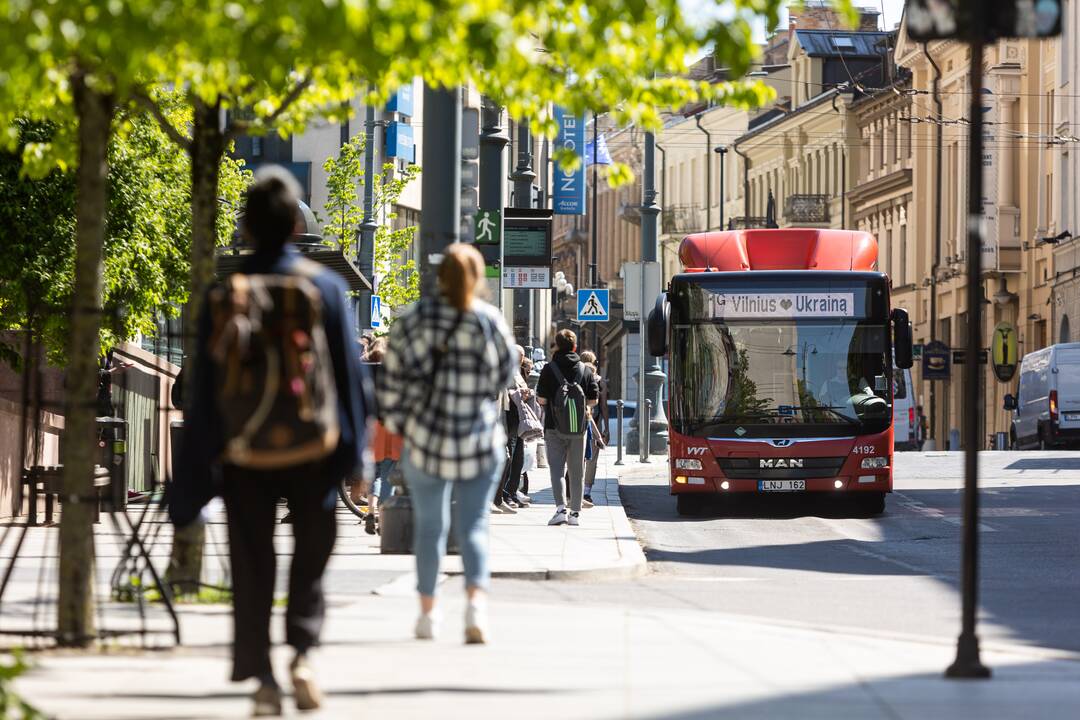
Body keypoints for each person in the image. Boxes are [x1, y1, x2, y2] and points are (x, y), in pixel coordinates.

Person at [169, 167, 370, 717]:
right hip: (314, 449)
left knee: (252, 560)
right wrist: (355, 455)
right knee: (310, 555)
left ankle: (261, 677)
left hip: (244, 451)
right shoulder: (325, 287)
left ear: (248, 227)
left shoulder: (221, 293)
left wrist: (193, 478)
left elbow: (206, 390)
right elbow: (349, 380)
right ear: (294, 224)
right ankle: (302, 652)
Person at [379, 243, 516, 644]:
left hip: (426, 440)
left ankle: (428, 613)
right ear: (476, 279)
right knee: (474, 524)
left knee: (429, 527)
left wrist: (404, 421)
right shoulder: (489, 321)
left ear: (439, 277)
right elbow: (507, 375)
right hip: (477, 438)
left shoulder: (412, 320)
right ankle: (475, 608)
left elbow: (390, 387)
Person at [537, 329, 599, 527]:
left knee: (556, 470)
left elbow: (541, 399)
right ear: (574, 346)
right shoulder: (585, 370)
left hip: (553, 427)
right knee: (576, 471)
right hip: (579, 428)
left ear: (556, 345)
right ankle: (575, 514)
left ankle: (560, 510)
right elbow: (593, 399)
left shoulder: (548, 369)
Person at [363, 338, 402, 535]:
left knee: (374, 472)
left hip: (372, 426)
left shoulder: (365, 365)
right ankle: (383, 519)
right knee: (388, 475)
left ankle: (370, 511)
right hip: (393, 427)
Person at [580, 358, 607, 507]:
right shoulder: (596, 385)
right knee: (590, 460)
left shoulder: (574, 385)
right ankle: (585, 493)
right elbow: (595, 412)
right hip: (588, 427)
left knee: (577, 461)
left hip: (574, 429)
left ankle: (574, 493)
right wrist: (601, 435)